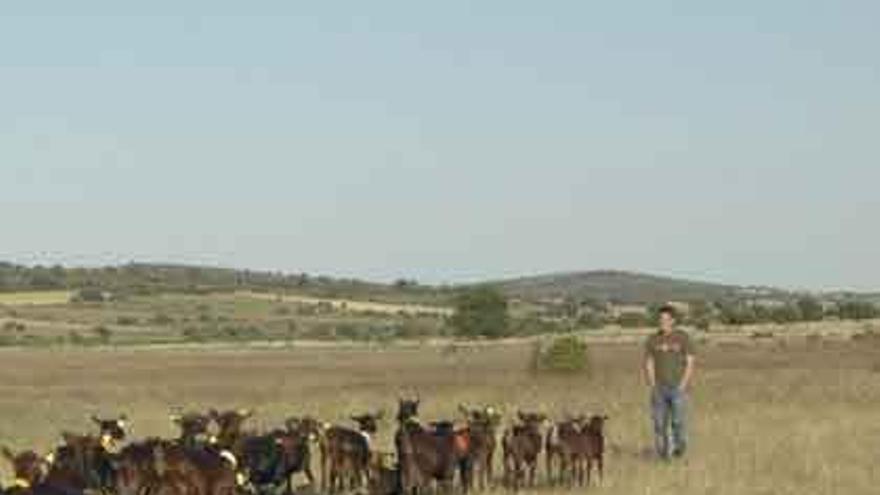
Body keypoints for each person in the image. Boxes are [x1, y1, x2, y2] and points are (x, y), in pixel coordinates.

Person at [643, 304, 695, 460]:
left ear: (673, 320)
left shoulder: (683, 337)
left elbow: (690, 361)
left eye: (666, 319)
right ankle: (664, 456)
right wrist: (652, 384)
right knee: (659, 425)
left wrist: (683, 385)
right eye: (660, 319)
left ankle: (680, 448)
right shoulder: (652, 339)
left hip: (678, 388)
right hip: (659, 388)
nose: (662, 322)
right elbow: (649, 362)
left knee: (678, 423)